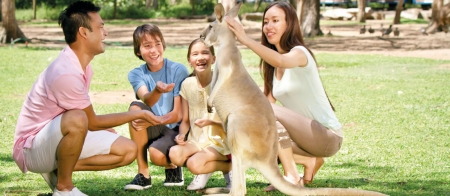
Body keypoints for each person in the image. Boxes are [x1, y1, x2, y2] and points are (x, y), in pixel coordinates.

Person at [12, 1, 170, 196]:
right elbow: (89, 121)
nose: (105, 33)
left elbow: (89, 119)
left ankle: (60, 170)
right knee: (77, 118)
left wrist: (102, 126)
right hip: (33, 148)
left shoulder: (82, 66)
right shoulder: (66, 72)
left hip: (55, 137)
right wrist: (139, 115)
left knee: (128, 149)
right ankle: (64, 188)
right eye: (100, 27)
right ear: (84, 33)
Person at [225, 1, 343, 191]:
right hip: (305, 141)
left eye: (275, 21)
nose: (268, 26)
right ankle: (309, 161)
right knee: (258, 133)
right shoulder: (272, 67)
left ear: (289, 25)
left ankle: (292, 176)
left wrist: (245, 39)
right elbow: (263, 110)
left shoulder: (299, 53)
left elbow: (281, 60)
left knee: (262, 108)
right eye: (265, 22)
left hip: (327, 136)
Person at [124, 23, 189, 190]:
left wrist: (152, 121)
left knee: (157, 156)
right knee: (135, 109)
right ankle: (143, 174)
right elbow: (147, 99)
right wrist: (158, 90)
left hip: (175, 129)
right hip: (155, 126)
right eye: (147, 46)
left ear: (163, 45)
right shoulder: (136, 74)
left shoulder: (178, 70)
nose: (154, 50)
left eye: (157, 44)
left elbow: (177, 115)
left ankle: (174, 164)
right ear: (138, 51)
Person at [168, 38, 232, 190]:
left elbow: (233, 122)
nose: (200, 57)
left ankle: (231, 166)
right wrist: (182, 135)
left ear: (213, 58)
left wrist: (211, 123)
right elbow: (185, 121)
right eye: (195, 54)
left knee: (194, 164)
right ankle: (212, 165)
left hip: (222, 142)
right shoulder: (187, 84)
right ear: (189, 60)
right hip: (197, 140)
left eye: (205, 53)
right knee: (175, 153)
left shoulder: (223, 83)